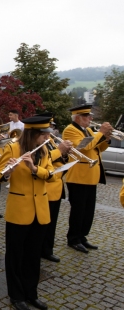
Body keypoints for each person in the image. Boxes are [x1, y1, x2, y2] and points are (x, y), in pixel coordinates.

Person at [0, 115, 57, 310]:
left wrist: (34, 168)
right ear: (33, 134)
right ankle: (16, 295)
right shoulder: (12, 148)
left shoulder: (44, 150)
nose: (48, 138)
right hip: (19, 211)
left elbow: (51, 174)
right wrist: (7, 172)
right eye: (44, 135)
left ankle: (31, 293)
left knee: (33, 255)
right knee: (15, 255)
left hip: (40, 211)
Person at [62, 104, 111, 253]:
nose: (90, 118)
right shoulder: (70, 130)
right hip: (78, 176)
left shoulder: (88, 130)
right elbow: (85, 147)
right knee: (78, 209)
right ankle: (73, 238)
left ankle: (82, 236)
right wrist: (100, 133)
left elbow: (98, 148)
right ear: (78, 118)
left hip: (90, 176)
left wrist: (106, 138)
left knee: (88, 210)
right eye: (87, 116)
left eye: (90, 116)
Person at [38, 114, 72, 263]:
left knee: (52, 223)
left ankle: (47, 250)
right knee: (43, 224)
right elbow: (44, 158)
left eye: (51, 128)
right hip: (46, 187)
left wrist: (65, 155)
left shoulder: (51, 141)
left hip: (57, 187)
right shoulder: (40, 143)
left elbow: (57, 158)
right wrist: (60, 150)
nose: (50, 131)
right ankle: (40, 249)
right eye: (47, 129)